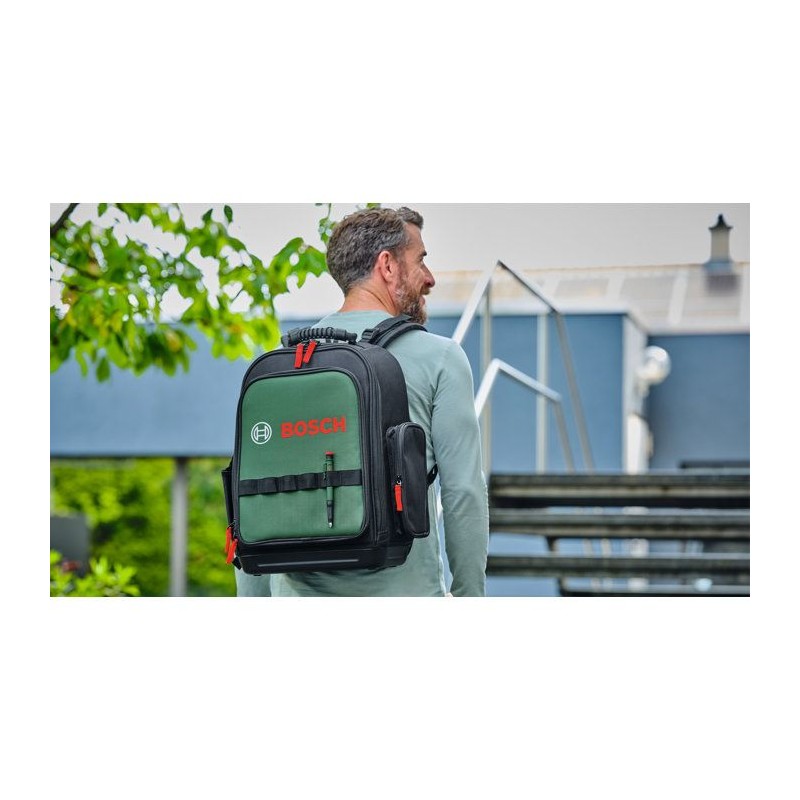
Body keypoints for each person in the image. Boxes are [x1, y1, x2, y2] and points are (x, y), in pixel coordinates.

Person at [235, 206, 489, 597]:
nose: (429, 278)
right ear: (387, 265)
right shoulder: (440, 358)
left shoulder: (284, 362)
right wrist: (471, 597)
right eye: (420, 260)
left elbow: (252, 495)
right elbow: (463, 494)